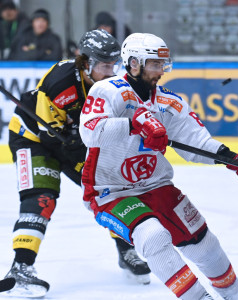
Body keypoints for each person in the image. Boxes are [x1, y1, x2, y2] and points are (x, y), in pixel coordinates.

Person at [79, 32, 238, 300]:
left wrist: (235, 160)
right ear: (134, 63)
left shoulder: (169, 101)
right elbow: (90, 132)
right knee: (153, 235)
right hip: (111, 190)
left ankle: (234, 293)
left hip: (157, 185)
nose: (161, 70)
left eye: (162, 64)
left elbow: (196, 140)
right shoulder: (107, 90)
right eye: (155, 64)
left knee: (202, 241)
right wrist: (134, 124)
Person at [5, 29, 151, 298]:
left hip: (71, 143)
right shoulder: (60, 81)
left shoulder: (112, 86)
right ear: (86, 63)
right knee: (41, 197)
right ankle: (20, 269)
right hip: (32, 139)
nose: (111, 71)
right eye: (105, 65)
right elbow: (49, 130)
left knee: (110, 190)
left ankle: (125, 251)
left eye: (114, 64)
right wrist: (72, 142)